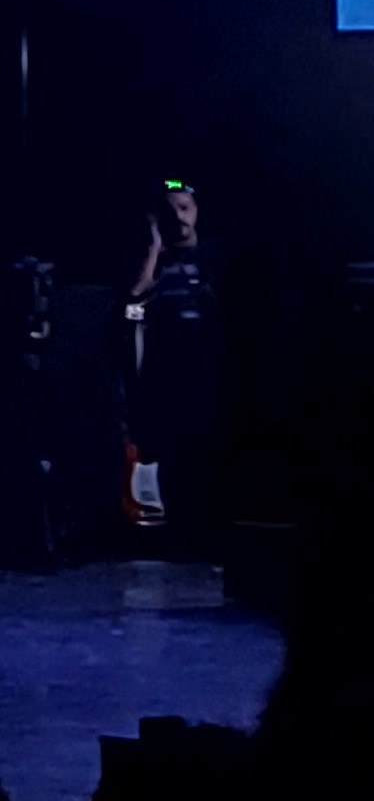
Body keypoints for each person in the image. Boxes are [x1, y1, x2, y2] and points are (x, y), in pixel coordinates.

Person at [124, 177, 223, 542]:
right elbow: (133, 301)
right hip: (164, 382)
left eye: (184, 208)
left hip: (207, 380)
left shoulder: (214, 260)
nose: (178, 217)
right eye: (169, 210)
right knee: (170, 461)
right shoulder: (154, 264)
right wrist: (153, 246)